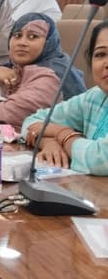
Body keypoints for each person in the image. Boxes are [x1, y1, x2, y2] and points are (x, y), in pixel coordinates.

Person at [0, 13, 85, 126]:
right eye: (17, 35)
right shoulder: (14, 69)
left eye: (32, 36)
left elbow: (14, 113)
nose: (22, 43)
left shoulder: (52, 72)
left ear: (49, 42)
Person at [22, 19, 108, 173]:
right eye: (100, 54)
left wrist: (66, 136)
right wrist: (49, 142)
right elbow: (31, 122)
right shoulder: (95, 97)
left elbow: (99, 159)